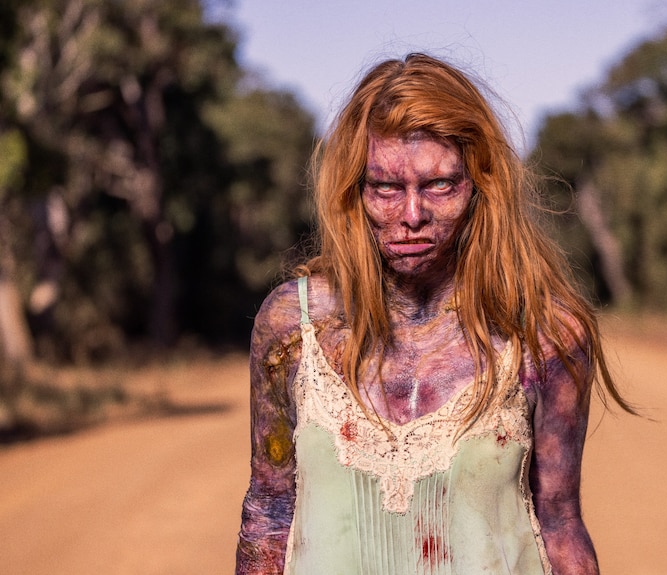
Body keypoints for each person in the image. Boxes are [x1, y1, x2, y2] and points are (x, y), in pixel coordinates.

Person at [235, 52, 633, 575]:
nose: (412, 214)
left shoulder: (544, 337)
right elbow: (269, 508)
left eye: (440, 184)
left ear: (479, 186)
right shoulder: (295, 325)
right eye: (385, 188)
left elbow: (558, 523)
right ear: (353, 191)